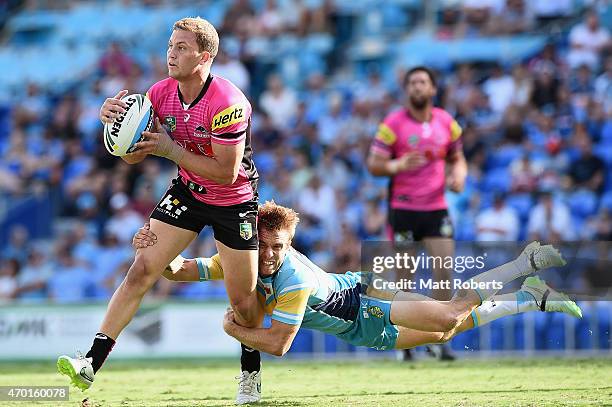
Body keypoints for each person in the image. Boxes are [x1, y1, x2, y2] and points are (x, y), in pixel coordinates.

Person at [133, 201, 580, 400]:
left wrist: (232, 329)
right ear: (252, 242)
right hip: (360, 329)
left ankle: (525, 262)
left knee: (448, 311)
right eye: (264, 245)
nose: (270, 254)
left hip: (365, 296)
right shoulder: (246, 261)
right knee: (447, 329)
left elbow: (280, 344)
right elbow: (187, 270)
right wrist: (155, 254)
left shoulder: (290, 280)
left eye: (279, 246)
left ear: (289, 245)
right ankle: (529, 299)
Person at [57, 17, 263, 405]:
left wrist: (169, 150)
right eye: (171, 45)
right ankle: (90, 362)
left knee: (243, 301)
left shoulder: (229, 102)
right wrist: (116, 126)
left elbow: (226, 171)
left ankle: (249, 373)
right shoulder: (158, 93)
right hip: (187, 191)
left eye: (182, 47)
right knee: (140, 269)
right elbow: (136, 156)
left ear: (205, 57)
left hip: (233, 201)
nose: (171, 53)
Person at [367, 66, 467, 360]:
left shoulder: (448, 123)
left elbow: (458, 159)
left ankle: (438, 338)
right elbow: (374, 164)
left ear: (433, 89)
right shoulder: (392, 124)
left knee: (444, 271)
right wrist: (396, 166)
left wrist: (459, 176)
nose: (417, 87)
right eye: (412, 82)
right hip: (404, 208)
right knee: (404, 280)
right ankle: (405, 341)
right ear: (407, 89)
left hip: (436, 208)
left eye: (423, 82)